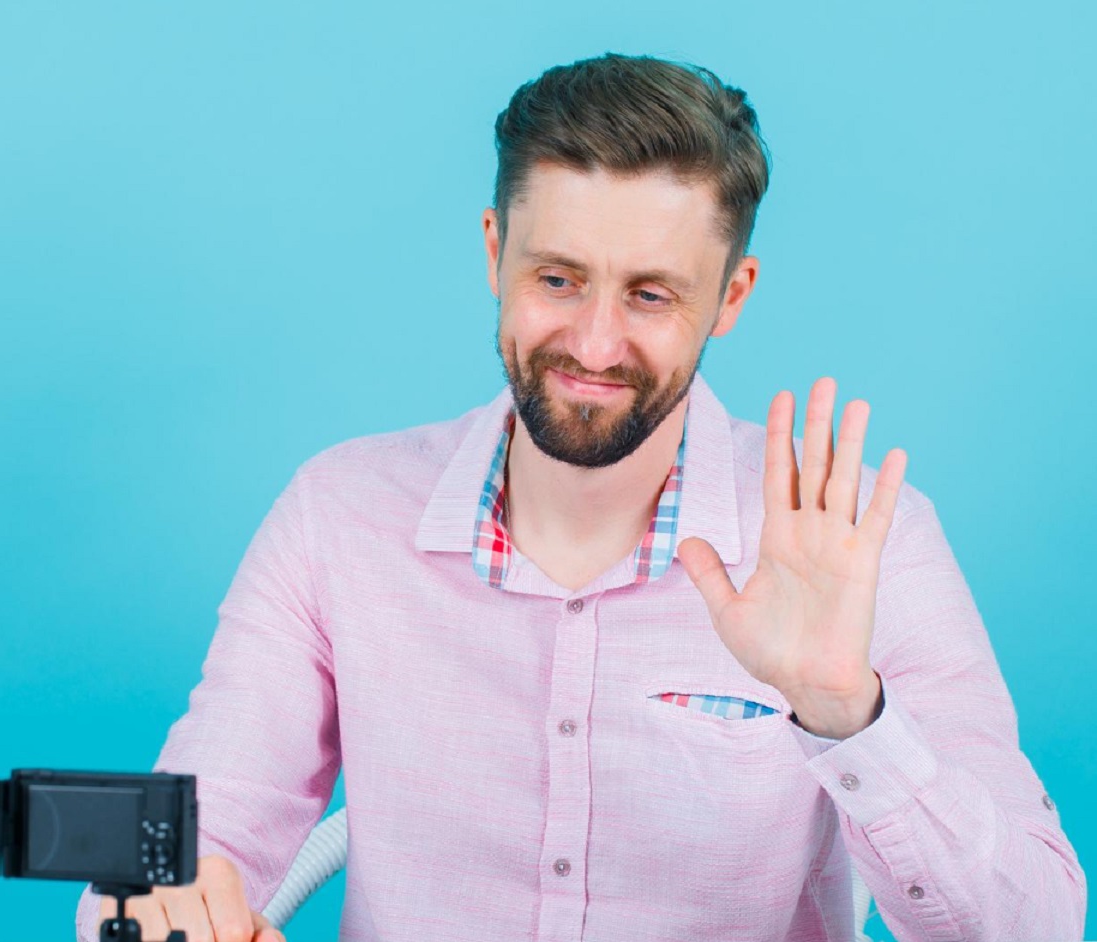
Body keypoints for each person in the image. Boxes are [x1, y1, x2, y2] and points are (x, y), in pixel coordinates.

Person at [77, 53, 1086, 941]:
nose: (594, 345)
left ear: (730, 296)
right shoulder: (337, 516)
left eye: (650, 294)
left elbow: (1034, 926)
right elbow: (172, 850)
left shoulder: (861, 543)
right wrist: (167, 903)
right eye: (557, 279)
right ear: (491, 252)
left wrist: (844, 715)